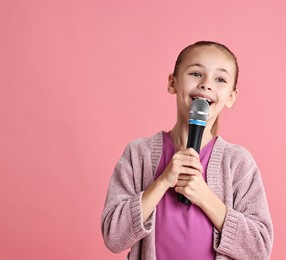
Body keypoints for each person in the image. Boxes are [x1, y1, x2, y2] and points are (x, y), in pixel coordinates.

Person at [101, 41, 274, 260]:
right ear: (172, 83)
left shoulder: (238, 162)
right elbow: (113, 237)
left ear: (231, 96)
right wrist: (162, 181)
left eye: (220, 79)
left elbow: (259, 249)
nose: (206, 84)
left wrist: (204, 197)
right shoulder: (138, 154)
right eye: (195, 73)